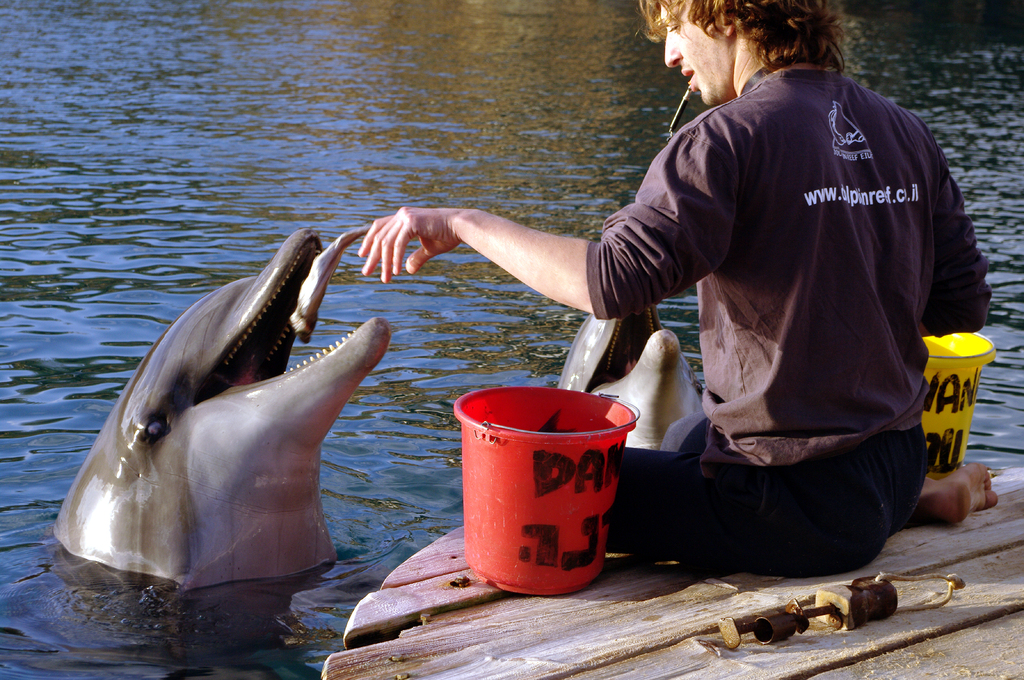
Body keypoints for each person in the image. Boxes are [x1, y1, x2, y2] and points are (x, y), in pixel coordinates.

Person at [359, 0, 996, 577]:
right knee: (688, 439)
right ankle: (921, 498)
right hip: (894, 462)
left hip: (790, 509)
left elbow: (611, 281)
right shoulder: (906, 131)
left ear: (721, 14)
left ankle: (885, 512)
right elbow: (960, 303)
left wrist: (464, 223)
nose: (669, 54)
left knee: (536, 487)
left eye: (674, 27)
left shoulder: (725, 138)